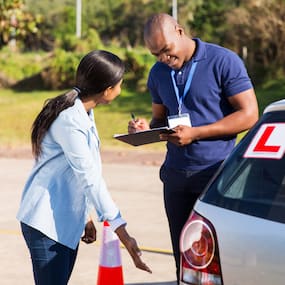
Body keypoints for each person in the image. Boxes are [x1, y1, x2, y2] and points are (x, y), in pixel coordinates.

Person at [128, 13, 258, 283]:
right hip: (175, 178)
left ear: (180, 31)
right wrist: (144, 130)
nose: (163, 58)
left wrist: (197, 133)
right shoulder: (158, 73)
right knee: (183, 262)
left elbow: (249, 115)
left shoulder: (223, 61)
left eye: (166, 50)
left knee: (219, 262)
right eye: (156, 54)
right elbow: (160, 120)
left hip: (216, 176)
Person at [17, 50, 152, 285]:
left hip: (65, 220)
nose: (121, 89)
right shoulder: (70, 120)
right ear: (107, 89)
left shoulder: (85, 112)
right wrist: (124, 235)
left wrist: (85, 216)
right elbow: (90, 178)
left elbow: (78, 172)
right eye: (120, 85)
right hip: (46, 223)